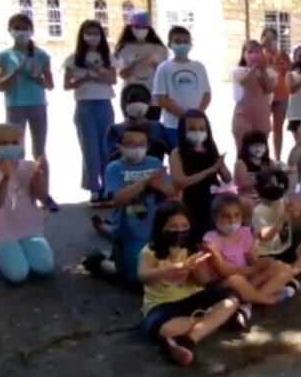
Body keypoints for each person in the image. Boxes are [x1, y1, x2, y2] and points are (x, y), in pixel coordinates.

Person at [138, 200, 239, 366]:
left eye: (184, 226)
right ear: (161, 227)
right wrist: (166, 271)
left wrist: (199, 264)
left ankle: (189, 340)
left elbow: (202, 281)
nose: (180, 231)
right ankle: (211, 322)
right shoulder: (149, 252)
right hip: (162, 305)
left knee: (231, 301)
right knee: (163, 328)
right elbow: (142, 276)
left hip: (193, 298)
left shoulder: (192, 249)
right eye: (173, 226)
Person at [84, 124, 177, 287]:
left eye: (140, 144)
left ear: (147, 146)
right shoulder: (114, 168)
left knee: (161, 274)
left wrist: (160, 185)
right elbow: (118, 199)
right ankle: (99, 261)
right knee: (134, 280)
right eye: (130, 144)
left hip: (157, 230)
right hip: (129, 231)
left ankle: (113, 247)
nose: (136, 148)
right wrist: (144, 182)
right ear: (120, 146)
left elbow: (171, 192)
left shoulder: (155, 163)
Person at [0, 13, 58, 212]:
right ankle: (19, 196)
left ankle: (44, 195)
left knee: (40, 151)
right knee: (16, 152)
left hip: (37, 105)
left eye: (24, 28)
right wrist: (15, 72)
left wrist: (36, 76)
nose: (20, 32)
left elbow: (50, 85)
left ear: (31, 31)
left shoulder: (41, 55)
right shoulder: (3, 56)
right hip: (15, 106)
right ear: (10, 31)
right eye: (16, 28)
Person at [0, 123, 54, 283]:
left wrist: (38, 176)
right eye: (4, 143)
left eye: (14, 142)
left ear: (21, 144)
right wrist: (6, 177)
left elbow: (43, 197)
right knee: (18, 274)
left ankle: (21, 250)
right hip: (2, 232)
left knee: (45, 267)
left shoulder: (29, 167)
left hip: (29, 228)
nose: (10, 146)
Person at [201, 193, 298, 306]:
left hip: (248, 278)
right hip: (226, 283)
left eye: (237, 215)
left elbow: (253, 260)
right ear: (215, 217)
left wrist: (265, 263)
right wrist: (254, 269)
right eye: (226, 217)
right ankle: (269, 299)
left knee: (284, 268)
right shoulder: (211, 240)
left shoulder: (244, 233)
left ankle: (253, 298)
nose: (232, 221)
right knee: (237, 280)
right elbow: (223, 271)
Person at [63, 19, 117, 206]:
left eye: (95, 33)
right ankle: (94, 188)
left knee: (106, 147)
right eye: (88, 33)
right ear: (82, 36)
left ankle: (108, 188)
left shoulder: (107, 57)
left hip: (104, 103)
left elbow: (112, 79)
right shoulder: (74, 58)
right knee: (89, 149)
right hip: (84, 105)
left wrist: (99, 70)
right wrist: (81, 80)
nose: (92, 37)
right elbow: (66, 85)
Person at [252, 168, 301, 276]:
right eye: (270, 184)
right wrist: (282, 220)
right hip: (268, 254)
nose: (277, 187)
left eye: (280, 184)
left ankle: (293, 271)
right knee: (272, 265)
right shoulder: (258, 210)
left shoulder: (284, 202)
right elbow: (264, 236)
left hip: (287, 249)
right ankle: (295, 269)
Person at [170, 110, 231, 244]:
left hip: (213, 203)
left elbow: (227, 178)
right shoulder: (178, 153)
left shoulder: (211, 149)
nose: (197, 133)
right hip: (191, 203)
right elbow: (179, 182)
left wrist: (220, 166)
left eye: (202, 129)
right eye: (192, 129)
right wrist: (208, 171)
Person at [153, 26, 211, 148]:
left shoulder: (199, 67)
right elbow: (160, 98)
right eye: (178, 41)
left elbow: (207, 94)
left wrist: (197, 114)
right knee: (177, 154)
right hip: (173, 125)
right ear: (170, 44)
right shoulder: (164, 68)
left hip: (197, 126)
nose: (182, 45)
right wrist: (184, 115)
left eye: (186, 41)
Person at [115, 11, 168, 121]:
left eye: (144, 27)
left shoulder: (159, 49)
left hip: (153, 95)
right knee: (133, 126)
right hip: (131, 95)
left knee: (152, 125)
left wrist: (155, 66)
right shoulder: (124, 49)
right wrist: (135, 63)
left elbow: (165, 74)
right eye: (137, 27)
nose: (141, 30)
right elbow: (122, 75)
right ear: (130, 28)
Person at [106, 84, 172, 162]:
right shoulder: (115, 129)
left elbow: (170, 150)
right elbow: (110, 157)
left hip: (153, 167)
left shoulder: (157, 127)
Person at [232, 39, 276, 155]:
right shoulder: (238, 71)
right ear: (244, 54)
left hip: (262, 116)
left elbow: (270, 88)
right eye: (250, 52)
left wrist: (263, 70)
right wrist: (255, 68)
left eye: (257, 52)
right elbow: (244, 82)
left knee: (260, 152)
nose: (254, 55)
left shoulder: (269, 72)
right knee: (242, 150)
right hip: (242, 115)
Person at [262, 28, 292, 160]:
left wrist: (286, 58)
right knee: (264, 127)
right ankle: (263, 158)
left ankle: (277, 158)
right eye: (267, 38)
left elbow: (290, 71)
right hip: (265, 96)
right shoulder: (260, 54)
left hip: (282, 95)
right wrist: (261, 48)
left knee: (278, 129)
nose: (270, 41)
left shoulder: (281, 55)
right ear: (262, 39)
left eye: (273, 38)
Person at [233, 129, 272, 202]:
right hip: (247, 200)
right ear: (246, 147)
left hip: (265, 199)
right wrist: (262, 182)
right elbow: (242, 185)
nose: (258, 148)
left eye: (261, 145)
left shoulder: (268, 162)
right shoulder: (241, 163)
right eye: (255, 145)